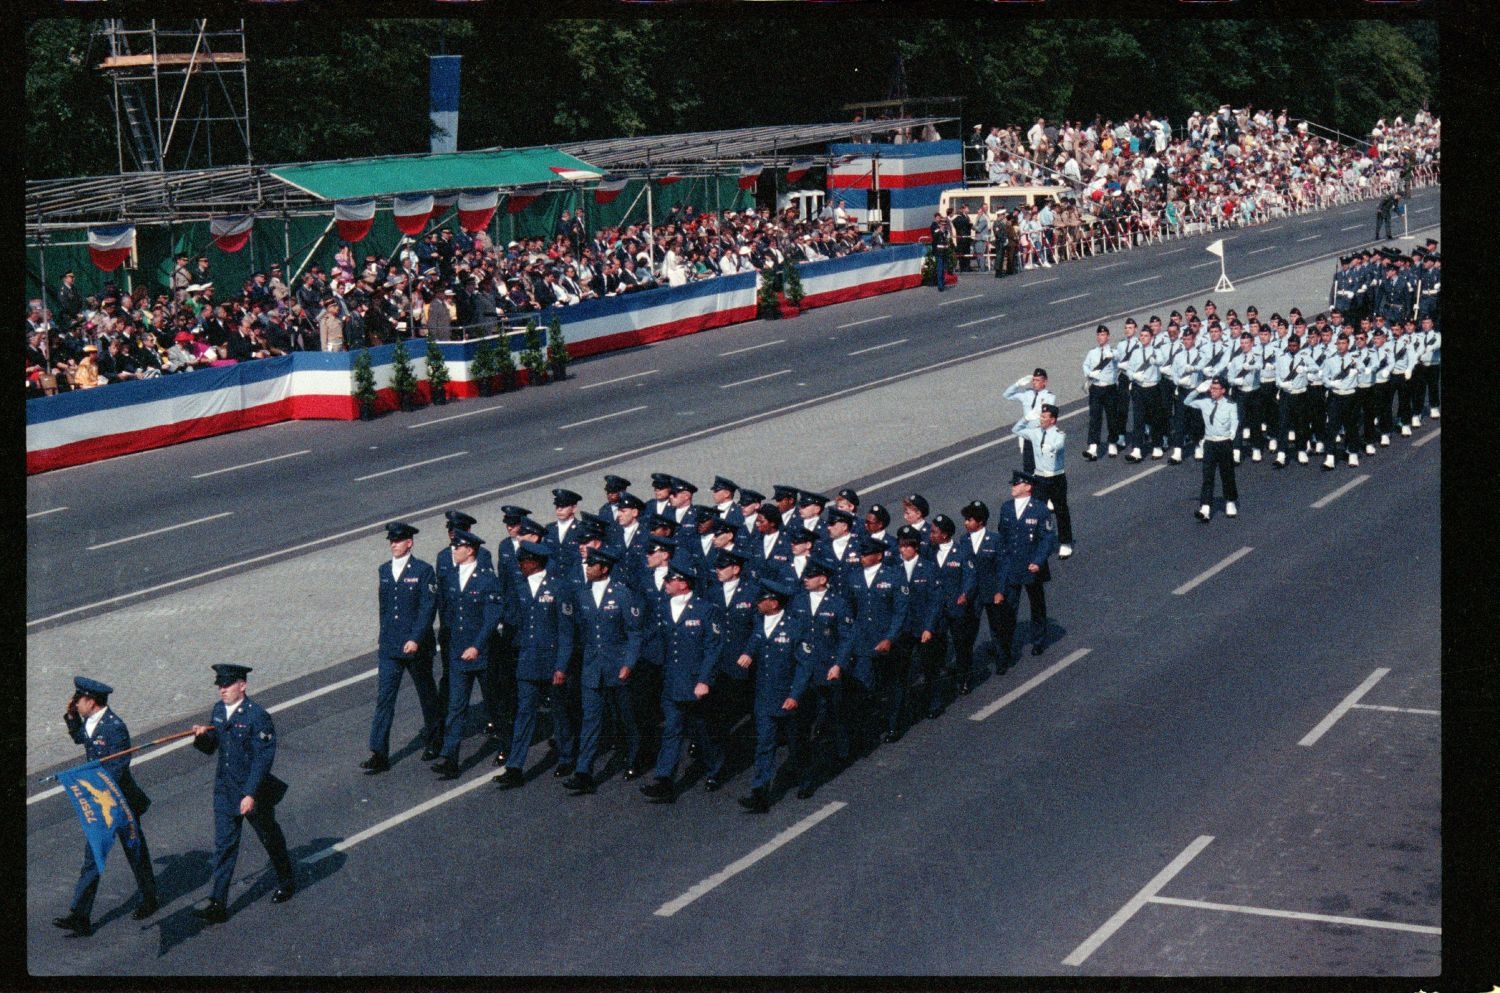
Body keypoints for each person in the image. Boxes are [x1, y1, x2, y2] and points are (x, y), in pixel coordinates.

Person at [53, 677, 159, 936]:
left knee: (135, 852)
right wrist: (71, 718)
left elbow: (118, 766)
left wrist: (93, 782)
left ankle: (150, 899)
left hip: (121, 802)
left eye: (79, 700)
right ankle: (80, 916)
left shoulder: (114, 727)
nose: (76, 703)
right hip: (102, 806)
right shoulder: (90, 722)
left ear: (91, 701)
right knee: (93, 857)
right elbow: (81, 739)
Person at [190, 664, 295, 923]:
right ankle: (218, 903)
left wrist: (250, 794)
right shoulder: (218, 711)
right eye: (220, 685)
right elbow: (212, 748)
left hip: (251, 792)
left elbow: (263, 759)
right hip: (225, 791)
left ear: (243, 685)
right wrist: (201, 737)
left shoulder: (257, 716)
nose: (222, 689)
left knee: (268, 835)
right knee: (224, 846)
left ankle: (286, 879)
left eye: (227, 684)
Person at [640, 560, 724, 802]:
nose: (665, 583)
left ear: (683, 583)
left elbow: (713, 648)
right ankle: (664, 780)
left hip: (695, 681)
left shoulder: (705, 609)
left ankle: (715, 768)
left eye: (670, 580)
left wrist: (705, 680)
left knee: (702, 731)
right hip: (672, 680)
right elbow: (656, 640)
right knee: (672, 730)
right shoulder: (663, 607)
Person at [493, 541, 574, 789]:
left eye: (523, 562)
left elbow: (565, 632)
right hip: (527, 660)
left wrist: (561, 666)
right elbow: (511, 617)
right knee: (524, 713)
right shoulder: (520, 588)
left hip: (551, 662)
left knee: (559, 713)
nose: (519, 567)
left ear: (534, 562)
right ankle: (515, 766)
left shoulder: (558, 588)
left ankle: (567, 757)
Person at [363, 522, 442, 774]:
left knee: (426, 695)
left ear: (410, 542)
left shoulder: (423, 570)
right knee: (384, 698)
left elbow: (427, 608)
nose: (393, 545)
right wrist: (384, 636)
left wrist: (416, 638)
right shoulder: (384, 570)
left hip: (415, 646)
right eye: (391, 541)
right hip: (390, 646)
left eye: (398, 541)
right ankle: (379, 752)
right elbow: (384, 607)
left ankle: (435, 740)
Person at [563, 546, 643, 795]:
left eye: (592, 564)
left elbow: (634, 633)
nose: (587, 568)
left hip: (617, 666)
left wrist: (628, 663)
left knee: (625, 716)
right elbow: (578, 631)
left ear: (604, 568)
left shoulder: (622, 594)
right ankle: (584, 771)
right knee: (591, 719)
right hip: (592, 667)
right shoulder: (582, 595)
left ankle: (635, 758)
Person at [432, 530, 506, 780]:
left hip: (482, 653)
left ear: (470, 550)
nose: (454, 550)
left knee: (494, 703)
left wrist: (477, 645)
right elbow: (449, 614)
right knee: (455, 707)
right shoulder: (451, 577)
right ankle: (450, 758)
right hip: (458, 653)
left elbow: (492, 617)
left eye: (458, 546)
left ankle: (507, 746)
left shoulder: (486, 579)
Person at [735, 579, 813, 813]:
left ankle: (805, 780)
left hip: (788, 696)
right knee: (764, 745)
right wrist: (748, 654)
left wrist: (795, 695)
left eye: (762, 600)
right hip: (765, 695)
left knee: (796, 743)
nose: (757, 603)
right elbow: (755, 642)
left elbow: (804, 666)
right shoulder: (760, 622)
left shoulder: (795, 627)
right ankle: (759, 793)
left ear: (774, 602)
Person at [995, 470, 1058, 656]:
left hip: (1032, 566)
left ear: (1028, 487)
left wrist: (1038, 561)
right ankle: (1006, 645)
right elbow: (1003, 536)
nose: (1012, 487)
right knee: (1009, 607)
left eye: (1016, 484)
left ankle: (1038, 640)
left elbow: (1047, 538)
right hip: (1012, 565)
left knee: (1036, 604)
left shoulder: (1040, 509)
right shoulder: (1006, 508)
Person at [1011, 403, 1073, 558]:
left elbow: (1058, 445)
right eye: (1041, 416)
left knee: (1060, 510)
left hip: (1056, 477)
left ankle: (1065, 542)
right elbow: (1016, 430)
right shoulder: (1035, 433)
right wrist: (1025, 418)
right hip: (1039, 477)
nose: (1041, 418)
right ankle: (1038, 540)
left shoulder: (1059, 433)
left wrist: (1050, 448)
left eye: (1045, 417)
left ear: (1053, 420)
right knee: (1037, 510)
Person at [1183, 376, 1240, 520]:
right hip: (1209, 443)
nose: (1212, 391)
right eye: (1211, 388)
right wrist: (1197, 390)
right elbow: (1186, 402)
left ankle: (1230, 501)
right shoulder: (1205, 403)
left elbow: (1235, 420)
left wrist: (1232, 434)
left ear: (1223, 390)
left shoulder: (1230, 404)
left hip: (1224, 442)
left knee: (1227, 474)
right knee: (1207, 476)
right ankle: (1205, 508)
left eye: (1215, 389)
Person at [1003, 368, 1056, 474]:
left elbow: (1046, 411)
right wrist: (1017, 384)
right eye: (1034, 380)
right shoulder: (1027, 394)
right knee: (1027, 465)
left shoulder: (1049, 396)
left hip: (1040, 433)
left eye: (1038, 380)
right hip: (1027, 433)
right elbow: (1006, 395)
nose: (1034, 383)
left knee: (1041, 464)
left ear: (1044, 382)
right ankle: (1030, 486)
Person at [1080, 325, 1120, 460]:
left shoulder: (1113, 351)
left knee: (1112, 418)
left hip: (1109, 388)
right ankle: (1093, 447)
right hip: (1096, 388)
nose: (1100, 337)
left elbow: (1118, 358)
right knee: (1094, 418)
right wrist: (1089, 373)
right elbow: (1085, 365)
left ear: (1108, 336)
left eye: (1103, 335)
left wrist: (1112, 355)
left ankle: (1112, 443)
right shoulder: (1092, 352)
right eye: (1098, 335)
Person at [929, 212, 950, 292]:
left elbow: (947, 240)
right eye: (942, 224)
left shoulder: (946, 232)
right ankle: (940, 285)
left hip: (945, 251)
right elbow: (934, 238)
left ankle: (942, 282)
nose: (944, 225)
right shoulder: (937, 231)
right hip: (939, 251)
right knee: (940, 268)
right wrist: (940, 231)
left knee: (944, 268)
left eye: (945, 224)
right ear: (940, 224)